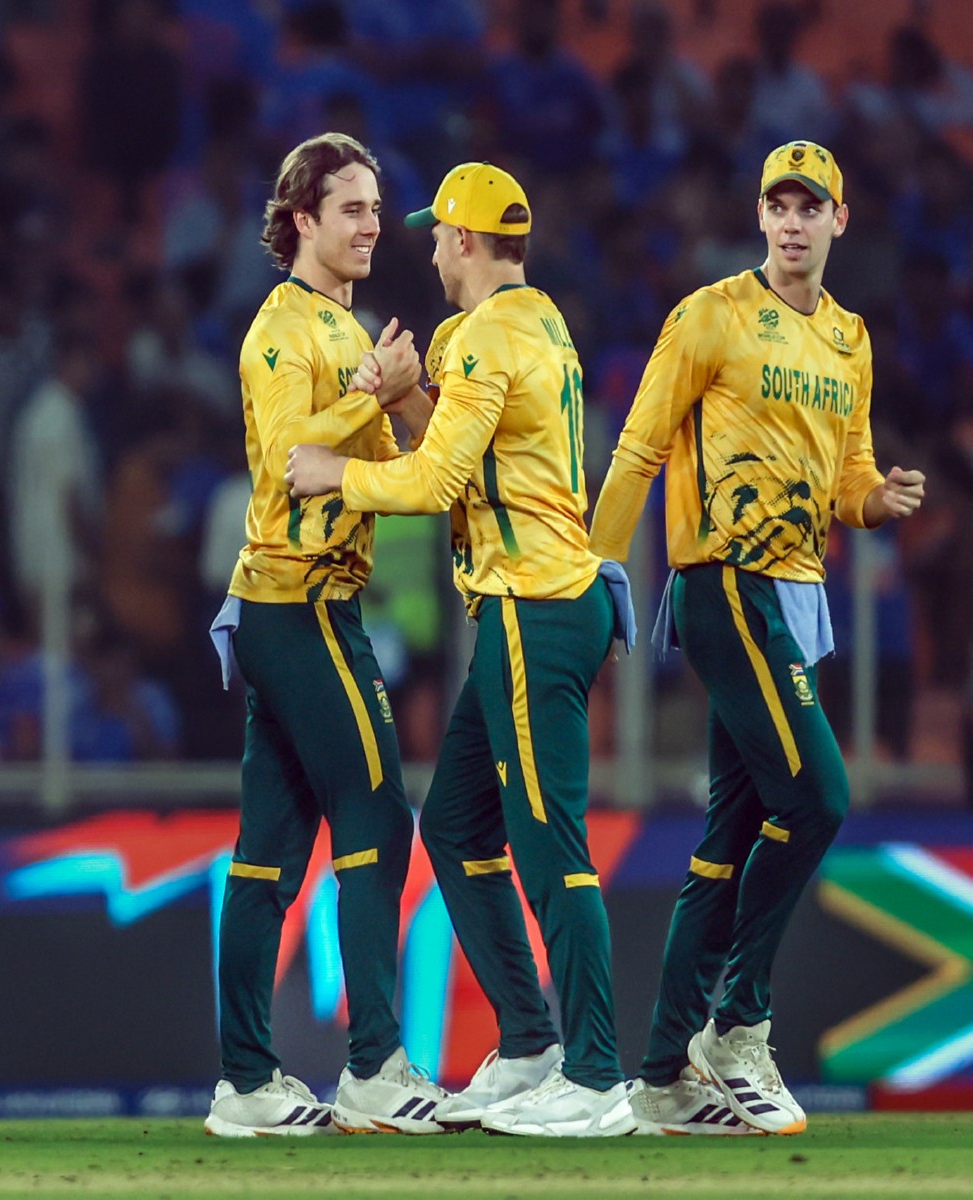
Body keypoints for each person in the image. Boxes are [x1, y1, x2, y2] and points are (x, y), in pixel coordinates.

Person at [288, 161, 636, 1138]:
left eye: (438, 234)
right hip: (533, 606)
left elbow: (436, 483)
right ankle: (529, 1044)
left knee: (547, 839)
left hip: (533, 608)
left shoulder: (485, 336)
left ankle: (596, 1074)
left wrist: (336, 472)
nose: (429, 246)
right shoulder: (537, 323)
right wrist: (404, 401)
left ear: (467, 243)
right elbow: (464, 457)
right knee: (454, 825)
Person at [588, 141, 926, 1137]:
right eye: (776, 205)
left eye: (807, 207)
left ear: (837, 220)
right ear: (759, 217)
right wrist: (589, 569)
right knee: (818, 796)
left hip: (797, 595)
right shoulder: (710, 314)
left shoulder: (849, 340)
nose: (789, 221)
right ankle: (737, 1025)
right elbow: (640, 445)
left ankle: (659, 1077)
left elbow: (847, 477)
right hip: (725, 582)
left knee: (725, 843)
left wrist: (875, 498)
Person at [203, 131, 452, 1139]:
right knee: (378, 815)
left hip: (321, 602)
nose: (371, 225)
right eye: (351, 208)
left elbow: (403, 462)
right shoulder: (281, 328)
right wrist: (367, 398)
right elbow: (277, 462)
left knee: (267, 854)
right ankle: (373, 1067)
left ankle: (244, 1085)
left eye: (376, 208)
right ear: (301, 218)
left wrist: (409, 396)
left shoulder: (348, 330)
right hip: (292, 603)